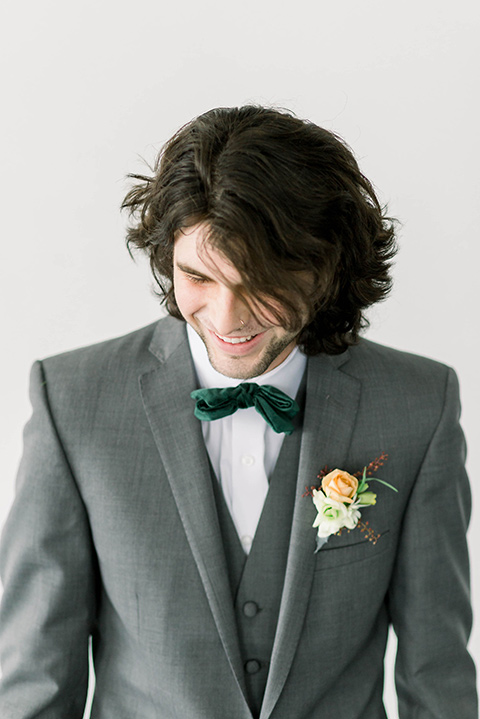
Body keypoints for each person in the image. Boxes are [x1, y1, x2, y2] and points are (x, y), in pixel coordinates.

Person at [0, 106, 476, 719]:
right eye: (198, 275)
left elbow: (438, 676)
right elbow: (34, 682)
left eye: (261, 283)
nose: (227, 320)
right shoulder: (71, 400)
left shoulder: (419, 404)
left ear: (325, 269)